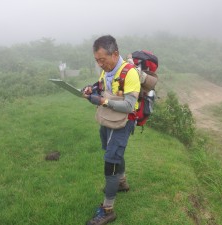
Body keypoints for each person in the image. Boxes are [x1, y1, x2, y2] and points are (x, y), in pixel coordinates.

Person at [83, 35, 140, 225]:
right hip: (108, 119)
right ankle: (121, 182)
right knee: (113, 153)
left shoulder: (129, 73)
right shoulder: (107, 70)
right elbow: (101, 86)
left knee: (111, 161)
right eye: (96, 60)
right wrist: (92, 91)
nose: (100, 64)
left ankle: (108, 210)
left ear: (115, 54)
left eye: (102, 60)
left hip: (123, 122)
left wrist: (102, 101)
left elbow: (130, 106)